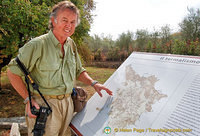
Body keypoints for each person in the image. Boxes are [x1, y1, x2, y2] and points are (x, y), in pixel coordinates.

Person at [7, 1, 113, 136]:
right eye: (64, 20)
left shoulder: (71, 44)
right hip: (45, 106)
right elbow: (12, 72)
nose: (69, 25)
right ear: (53, 20)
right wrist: (28, 100)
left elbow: (78, 71)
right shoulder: (37, 44)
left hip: (68, 105)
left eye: (73, 22)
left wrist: (94, 83)